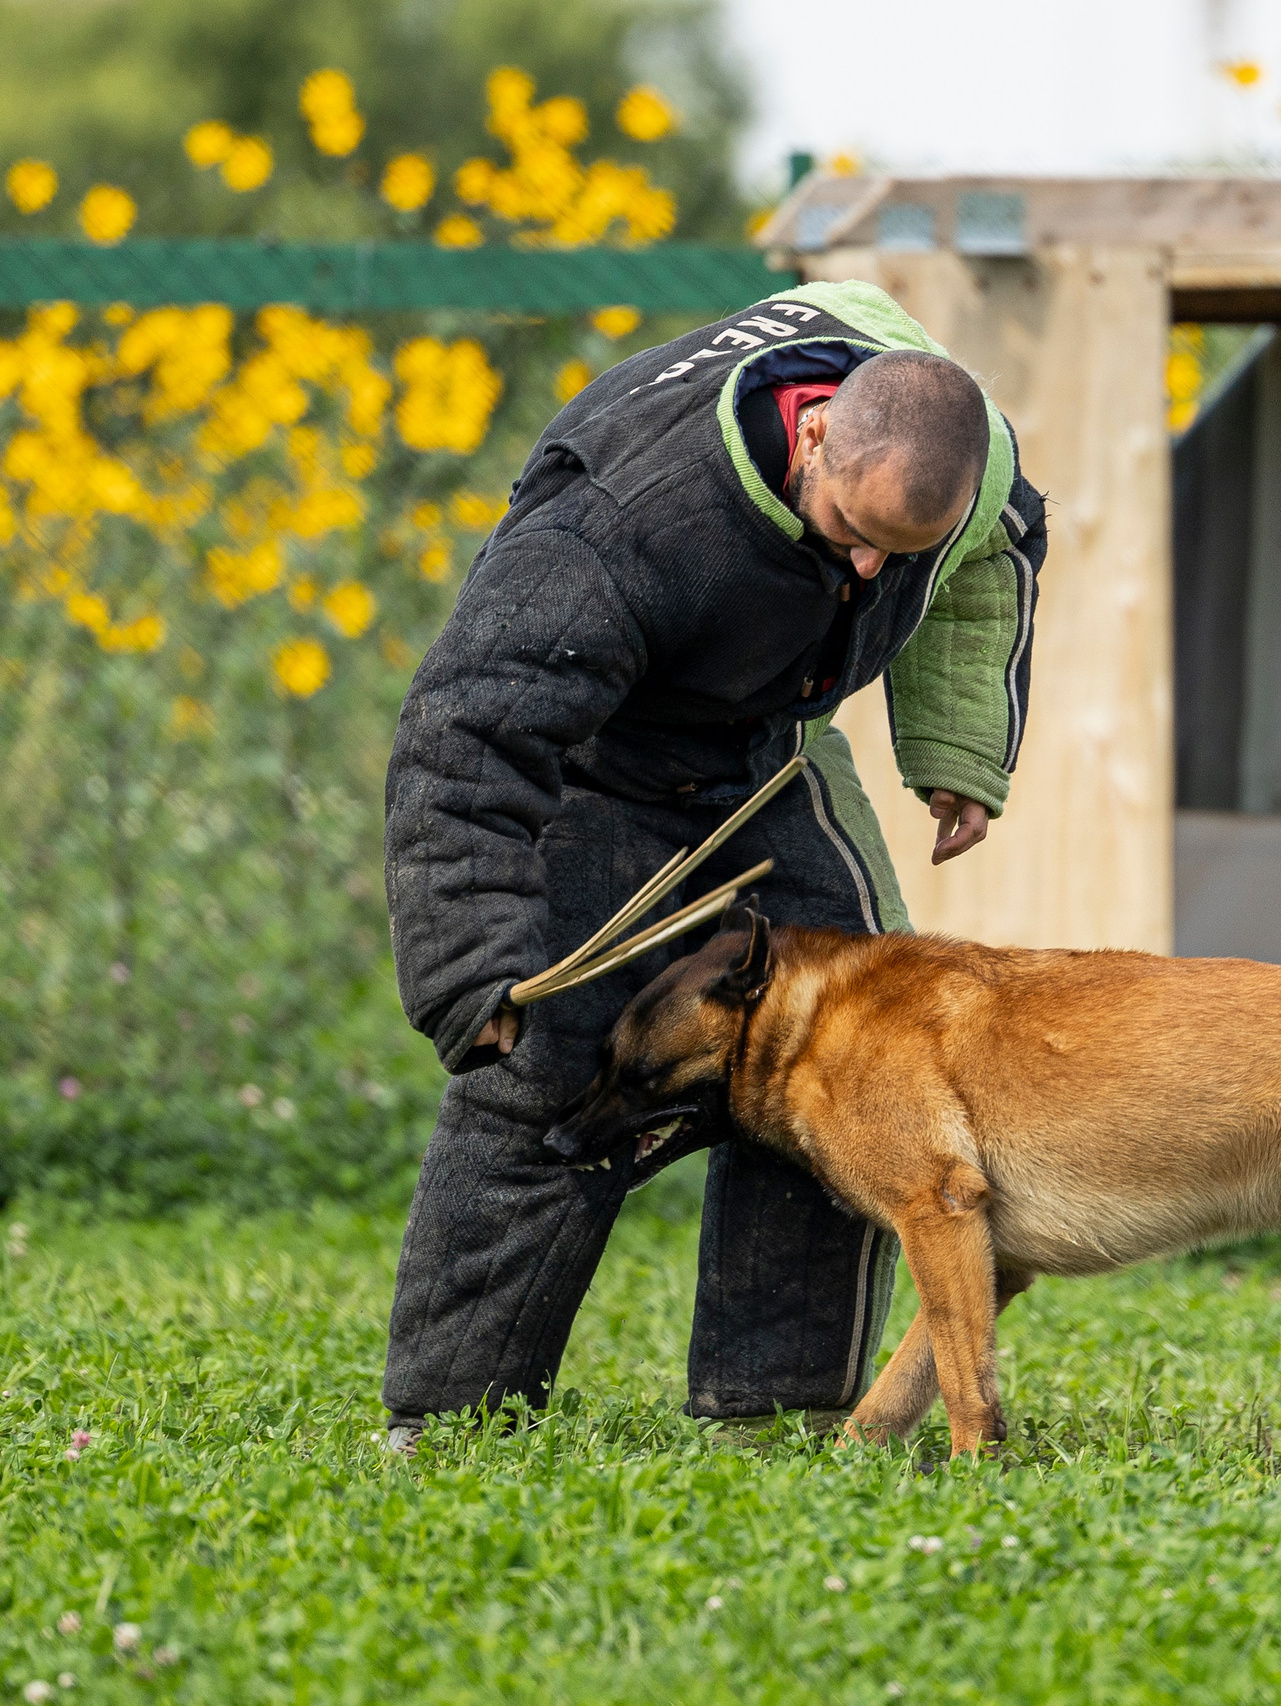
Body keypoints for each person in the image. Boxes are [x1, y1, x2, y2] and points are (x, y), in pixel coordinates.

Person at [379, 282, 1048, 1446]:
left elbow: (991, 562)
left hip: (766, 760)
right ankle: (450, 1417)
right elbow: (465, 734)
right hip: (600, 758)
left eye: (898, 557)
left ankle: (777, 1407)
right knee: (537, 1069)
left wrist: (953, 748)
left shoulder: (964, 470)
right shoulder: (618, 528)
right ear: (811, 433)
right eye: (849, 533)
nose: (861, 574)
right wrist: (474, 968)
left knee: (853, 1053)